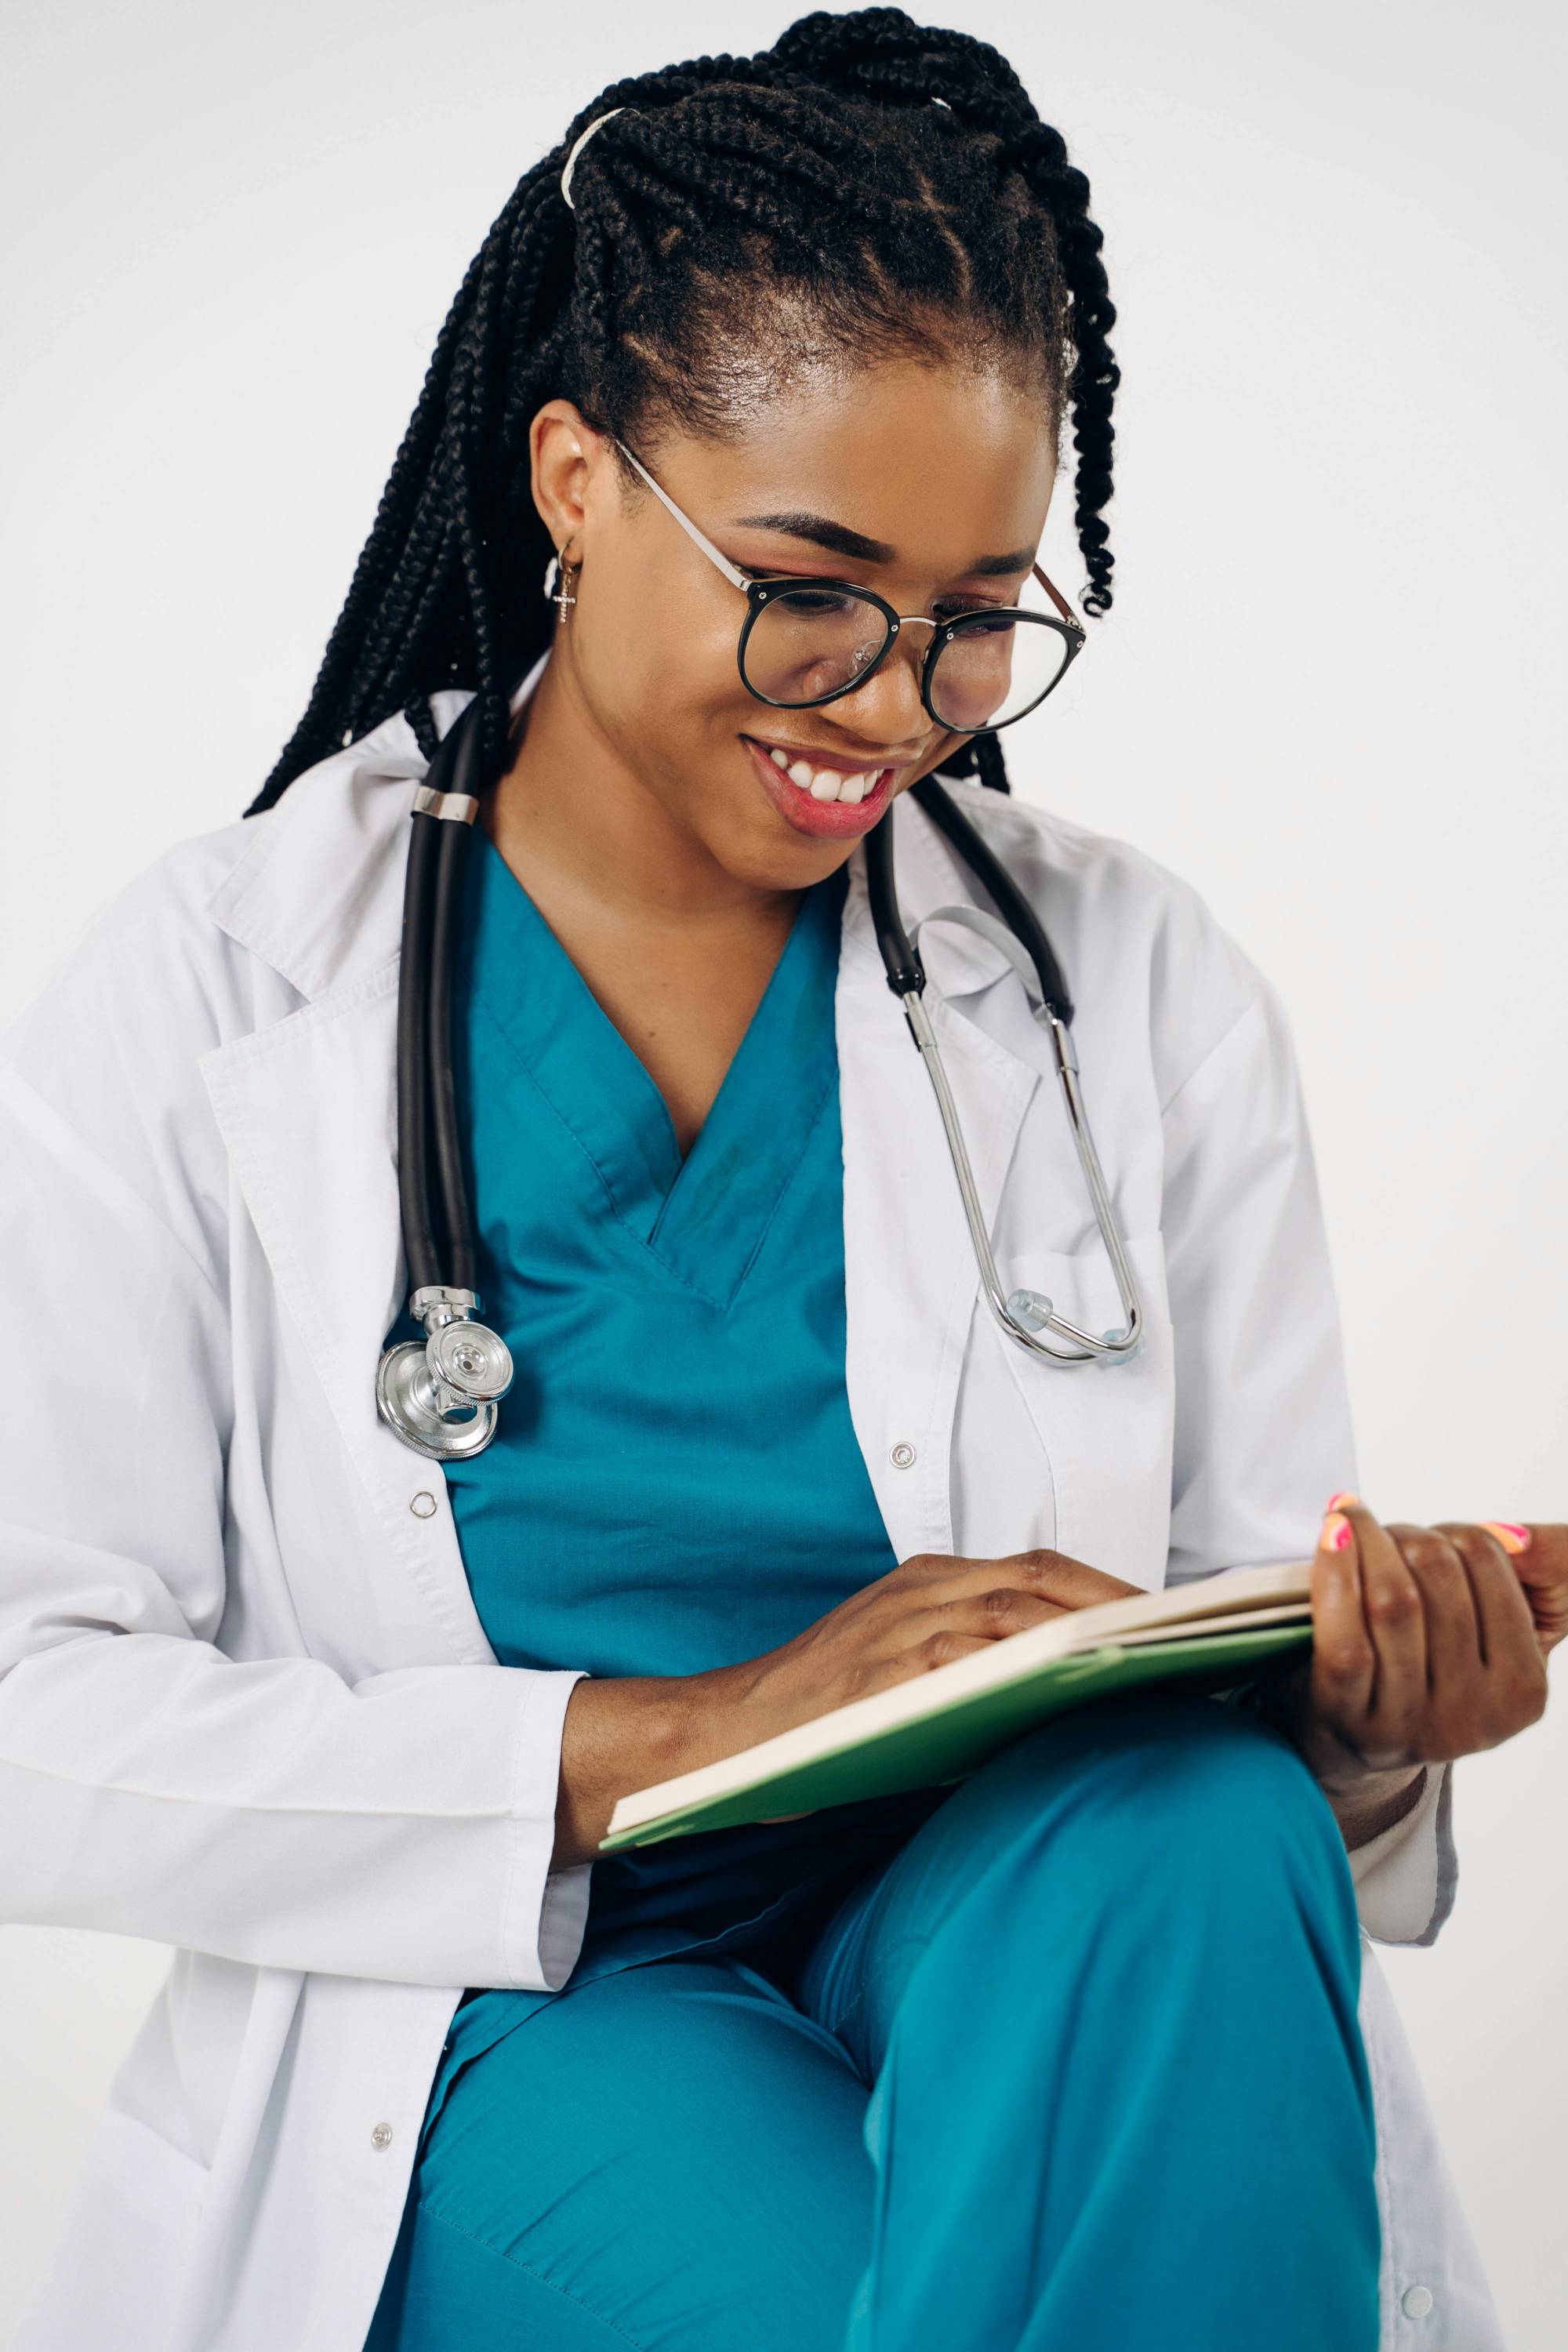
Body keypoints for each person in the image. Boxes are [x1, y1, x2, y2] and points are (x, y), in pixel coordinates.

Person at [2, 12, 1560, 2350]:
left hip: (1026, 1909)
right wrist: (688, 1728)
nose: (896, 698)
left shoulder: (1124, 979)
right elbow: (33, 1714)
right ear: (574, 480)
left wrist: (1366, 1721)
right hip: (534, 1982)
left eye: (979, 614)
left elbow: (1249, 1628)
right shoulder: (223, 988)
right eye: (811, 586)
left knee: (1208, 1835)